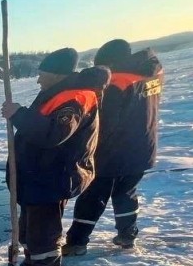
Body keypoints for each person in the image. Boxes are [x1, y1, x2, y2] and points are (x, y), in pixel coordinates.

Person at [1, 48, 110, 266]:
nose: (38, 79)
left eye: (42, 74)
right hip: (38, 175)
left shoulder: (75, 99)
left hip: (51, 177)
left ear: (57, 74)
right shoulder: (58, 93)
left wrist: (18, 114)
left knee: (43, 233)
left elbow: (53, 134)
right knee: (30, 230)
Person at [63, 39, 163, 254]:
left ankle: (77, 242)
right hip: (143, 146)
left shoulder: (116, 82)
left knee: (93, 194)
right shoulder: (151, 72)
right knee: (126, 191)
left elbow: (106, 120)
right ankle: (127, 234)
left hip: (113, 150)